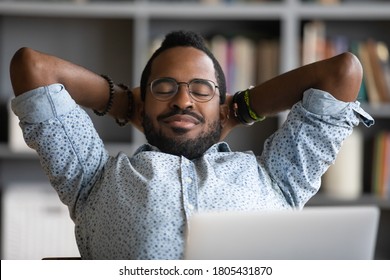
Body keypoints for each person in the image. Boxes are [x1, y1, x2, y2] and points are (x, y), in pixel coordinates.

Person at [10, 30, 373, 259]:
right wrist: (124, 104)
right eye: (164, 88)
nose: (183, 101)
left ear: (222, 102)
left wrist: (241, 109)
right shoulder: (92, 179)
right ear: (143, 102)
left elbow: (341, 73)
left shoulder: (280, 177)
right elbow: (33, 68)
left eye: (201, 89)